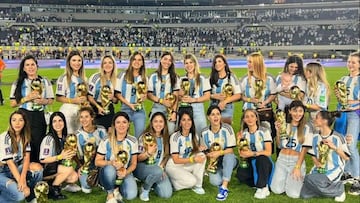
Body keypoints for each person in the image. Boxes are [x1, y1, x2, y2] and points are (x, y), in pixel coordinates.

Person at [10, 55, 54, 163]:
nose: (30, 67)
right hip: (24, 115)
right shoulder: (18, 83)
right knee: (24, 142)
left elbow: (51, 100)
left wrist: (43, 101)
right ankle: (22, 167)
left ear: (37, 66)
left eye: (33, 64)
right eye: (27, 65)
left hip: (39, 115)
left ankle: (37, 170)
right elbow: (12, 103)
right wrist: (27, 98)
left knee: (38, 142)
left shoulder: (45, 81)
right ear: (24, 68)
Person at [300, 111, 350, 202]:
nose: (314, 120)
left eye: (317, 118)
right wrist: (316, 163)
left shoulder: (338, 137)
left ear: (324, 121)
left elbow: (346, 157)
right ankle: (327, 189)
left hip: (334, 169)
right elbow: (313, 155)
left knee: (308, 179)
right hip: (318, 169)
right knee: (304, 195)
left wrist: (334, 147)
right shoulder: (315, 136)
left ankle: (339, 189)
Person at [270, 100, 313, 198]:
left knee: (293, 194)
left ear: (303, 112)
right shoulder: (285, 125)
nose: (297, 114)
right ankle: (287, 180)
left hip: (296, 161)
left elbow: (304, 150)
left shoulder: (307, 128)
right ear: (289, 111)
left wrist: (297, 167)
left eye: (300, 111)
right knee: (276, 190)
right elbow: (280, 145)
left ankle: (298, 179)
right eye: (295, 111)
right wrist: (277, 131)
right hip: (282, 159)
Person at [0, 110, 43, 203]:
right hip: (2, 171)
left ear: (25, 122)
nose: (17, 123)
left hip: (14, 169)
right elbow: (10, 163)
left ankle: (30, 195)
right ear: (10, 122)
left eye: (20, 120)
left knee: (38, 169)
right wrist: (21, 182)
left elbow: (26, 158)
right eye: (14, 120)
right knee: (20, 195)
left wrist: (22, 179)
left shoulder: (25, 136)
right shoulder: (5, 137)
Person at [95, 112, 138, 203]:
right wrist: (111, 163)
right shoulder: (106, 140)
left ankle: (117, 189)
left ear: (128, 124)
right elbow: (97, 161)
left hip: (124, 172)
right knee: (110, 169)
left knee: (131, 195)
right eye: (118, 122)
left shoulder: (133, 141)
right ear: (114, 125)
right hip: (108, 172)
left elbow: (134, 163)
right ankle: (110, 195)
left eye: (124, 122)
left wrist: (126, 172)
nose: (121, 125)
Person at [200, 106, 238, 201]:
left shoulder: (227, 129)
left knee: (228, 157)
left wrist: (219, 153)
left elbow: (230, 150)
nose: (216, 117)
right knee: (214, 181)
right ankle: (225, 173)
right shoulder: (204, 132)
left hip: (229, 158)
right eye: (213, 114)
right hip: (215, 162)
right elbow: (205, 151)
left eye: (218, 114)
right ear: (208, 117)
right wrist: (207, 153)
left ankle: (224, 187)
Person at [335, 51, 360, 193]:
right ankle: (347, 172)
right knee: (342, 143)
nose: (350, 64)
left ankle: (357, 178)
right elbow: (341, 99)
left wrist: (351, 103)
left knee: (351, 145)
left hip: (355, 115)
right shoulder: (343, 79)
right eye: (349, 61)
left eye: (354, 62)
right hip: (342, 115)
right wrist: (340, 97)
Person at [39, 111, 79, 200]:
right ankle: (54, 189)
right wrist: (60, 157)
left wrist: (72, 153)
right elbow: (43, 159)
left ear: (64, 122)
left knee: (74, 177)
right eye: (54, 121)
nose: (58, 123)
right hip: (47, 168)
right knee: (69, 169)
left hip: (57, 166)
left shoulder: (66, 137)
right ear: (51, 124)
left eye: (60, 120)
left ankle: (50, 185)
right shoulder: (48, 139)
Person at [134, 112, 173, 201]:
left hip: (158, 169)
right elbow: (137, 158)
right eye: (155, 121)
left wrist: (161, 168)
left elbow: (166, 156)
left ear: (164, 124)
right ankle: (145, 189)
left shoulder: (166, 137)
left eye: (161, 121)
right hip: (142, 168)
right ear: (151, 123)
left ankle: (152, 181)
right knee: (157, 171)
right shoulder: (145, 137)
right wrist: (147, 153)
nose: (158, 124)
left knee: (166, 194)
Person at [166, 111, 207, 195]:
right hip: (174, 166)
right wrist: (193, 159)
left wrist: (199, 149)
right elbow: (176, 160)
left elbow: (190, 151)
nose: (187, 122)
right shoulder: (175, 137)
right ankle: (174, 184)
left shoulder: (194, 135)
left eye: (189, 120)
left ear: (192, 122)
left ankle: (198, 185)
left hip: (185, 164)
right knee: (191, 181)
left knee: (202, 155)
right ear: (180, 123)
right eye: (183, 120)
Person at [236, 109, 273, 199]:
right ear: (244, 120)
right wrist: (238, 141)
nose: (250, 119)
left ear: (256, 118)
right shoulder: (244, 133)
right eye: (247, 117)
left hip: (264, 161)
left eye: (252, 116)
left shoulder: (264, 131)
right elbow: (242, 154)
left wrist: (252, 153)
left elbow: (268, 152)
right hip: (251, 161)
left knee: (261, 158)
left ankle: (263, 187)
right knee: (241, 174)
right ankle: (257, 183)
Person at [240, 52, 276, 136]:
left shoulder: (269, 79)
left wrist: (265, 102)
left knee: (266, 136)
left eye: (250, 62)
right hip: (248, 112)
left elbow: (273, 94)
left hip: (264, 112)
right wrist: (250, 100)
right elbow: (240, 95)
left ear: (257, 63)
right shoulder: (245, 79)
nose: (248, 64)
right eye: (248, 62)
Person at [116, 52, 147, 138]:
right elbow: (117, 94)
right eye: (134, 59)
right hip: (125, 109)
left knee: (140, 136)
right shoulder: (122, 75)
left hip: (139, 110)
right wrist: (129, 104)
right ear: (131, 61)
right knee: (122, 135)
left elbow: (145, 93)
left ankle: (137, 151)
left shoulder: (144, 77)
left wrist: (144, 97)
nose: (137, 62)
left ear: (142, 63)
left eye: (139, 60)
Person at [76, 107, 107, 193]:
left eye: (86, 116)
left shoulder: (101, 130)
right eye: (81, 117)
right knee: (86, 188)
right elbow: (75, 154)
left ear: (92, 117)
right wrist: (79, 166)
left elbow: (108, 148)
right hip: (86, 165)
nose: (83, 119)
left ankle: (101, 178)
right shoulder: (77, 135)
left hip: (100, 163)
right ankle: (95, 177)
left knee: (107, 181)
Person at [147, 51, 180, 134]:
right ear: (161, 60)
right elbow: (149, 95)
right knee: (154, 134)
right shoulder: (153, 76)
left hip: (170, 110)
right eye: (165, 59)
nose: (167, 62)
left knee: (170, 133)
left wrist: (174, 112)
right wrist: (161, 101)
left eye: (169, 60)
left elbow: (176, 97)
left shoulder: (175, 77)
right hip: (157, 108)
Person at [178, 53, 211, 135]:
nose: (189, 65)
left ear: (195, 64)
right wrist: (180, 96)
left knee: (201, 135)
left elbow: (207, 96)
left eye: (191, 62)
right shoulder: (181, 79)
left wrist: (194, 100)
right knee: (185, 135)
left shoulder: (202, 78)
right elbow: (177, 98)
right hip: (184, 110)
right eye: (186, 63)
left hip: (198, 110)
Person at [56, 50, 87, 134]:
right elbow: (58, 97)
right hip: (68, 111)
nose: (77, 63)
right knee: (69, 136)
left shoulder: (84, 78)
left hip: (81, 111)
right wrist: (73, 100)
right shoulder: (64, 78)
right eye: (74, 60)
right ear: (69, 62)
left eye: (79, 60)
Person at [88, 55, 118, 131]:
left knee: (110, 133)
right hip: (95, 108)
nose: (107, 65)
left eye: (110, 63)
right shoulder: (95, 77)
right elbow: (89, 96)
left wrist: (113, 98)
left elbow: (116, 101)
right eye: (105, 63)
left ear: (113, 65)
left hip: (108, 108)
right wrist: (98, 107)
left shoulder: (117, 79)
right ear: (102, 65)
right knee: (96, 133)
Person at [209, 54, 241, 125]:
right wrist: (213, 96)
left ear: (224, 64)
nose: (217, 64)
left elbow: (238, 95)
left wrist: (225, 101)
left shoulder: (231, 77)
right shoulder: (211, 78)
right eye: (215, 62)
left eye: (219, 61)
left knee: (225, 130)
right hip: (213, 107)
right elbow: (205, 94)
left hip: (227, 108)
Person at [303, 62, 330, 132]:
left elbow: (320, 106)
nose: (304, 72)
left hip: (320, 119)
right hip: (311, 117)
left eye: (306, 70)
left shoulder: (322, 87)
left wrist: (305, 105)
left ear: (311, 72)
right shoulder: (308, 84)